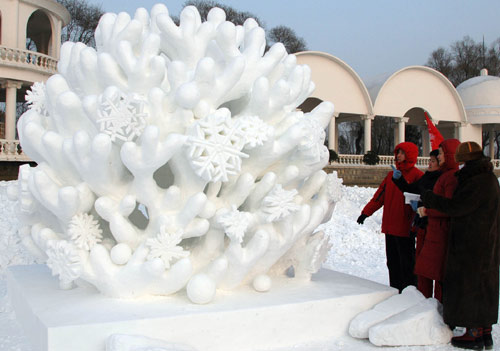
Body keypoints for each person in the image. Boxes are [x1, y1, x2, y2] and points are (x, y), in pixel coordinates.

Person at [421, 141, 500, 350]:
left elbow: (457, 207)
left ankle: (471, 333)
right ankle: (485, 332)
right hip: (487, 241)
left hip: (471, 242)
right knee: (484, 285)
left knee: (469, 285)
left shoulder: (475, 181)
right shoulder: (489, 178)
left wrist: (431, 199)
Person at [357, 142, 423, 292]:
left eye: (402, 153)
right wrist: (366, 212)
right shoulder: (391, 176)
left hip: (405, 227)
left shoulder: (417, 176)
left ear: (410, 155)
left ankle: (410, 291)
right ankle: (395, 290)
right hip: (390, 226)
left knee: (407, 262)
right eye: (397, 152)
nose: (398, 156)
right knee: (392, 262)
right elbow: (380, 196)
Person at [412, 139, 460, 302]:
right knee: (426, 271)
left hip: (440, 230)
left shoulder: (451, 177)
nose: (438, 156)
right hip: (434, 228)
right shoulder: (445, 175)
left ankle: (436, 311)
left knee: (436, 274)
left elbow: (448, 206)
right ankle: (426, 306)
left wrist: (427, 211)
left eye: (440, 153)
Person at [391, 148, 442, 298]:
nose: (429, 163)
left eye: (433, 161)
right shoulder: (427, 177)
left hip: (432, 226)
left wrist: (423, 206)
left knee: (429, 266)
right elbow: (411, 189)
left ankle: (433, 301)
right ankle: (421, 297)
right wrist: (399, 179)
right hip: (421, 224)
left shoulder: (441, 179)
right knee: (420, 265)